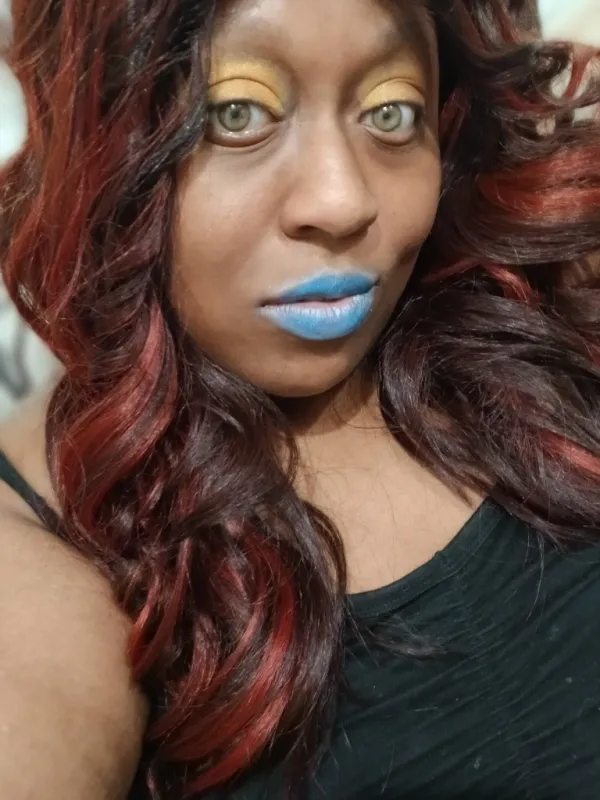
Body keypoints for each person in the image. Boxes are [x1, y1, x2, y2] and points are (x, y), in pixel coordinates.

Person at [0, 0, 599, 797]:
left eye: (391, 110)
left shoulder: (538, 303)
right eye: (237, 113)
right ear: (97, 137)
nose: (342, 201)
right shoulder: (44, 552)